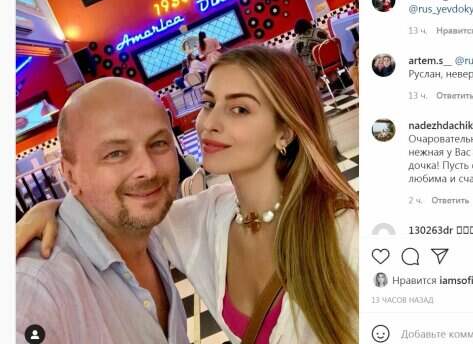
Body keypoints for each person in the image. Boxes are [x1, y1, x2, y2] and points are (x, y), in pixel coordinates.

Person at [17, 46, 359, 344]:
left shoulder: (344, 231)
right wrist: (54, 209)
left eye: (239, 109)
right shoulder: (202, 218)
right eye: (209, 103)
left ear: (284, 131)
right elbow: (112, 213)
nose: (209, 123)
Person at [16, 78, 188, 343]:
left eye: (158, 143)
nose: (148, 169)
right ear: (70, 175)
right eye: (116, 153)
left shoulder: (153, 229)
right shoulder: (37, 286)